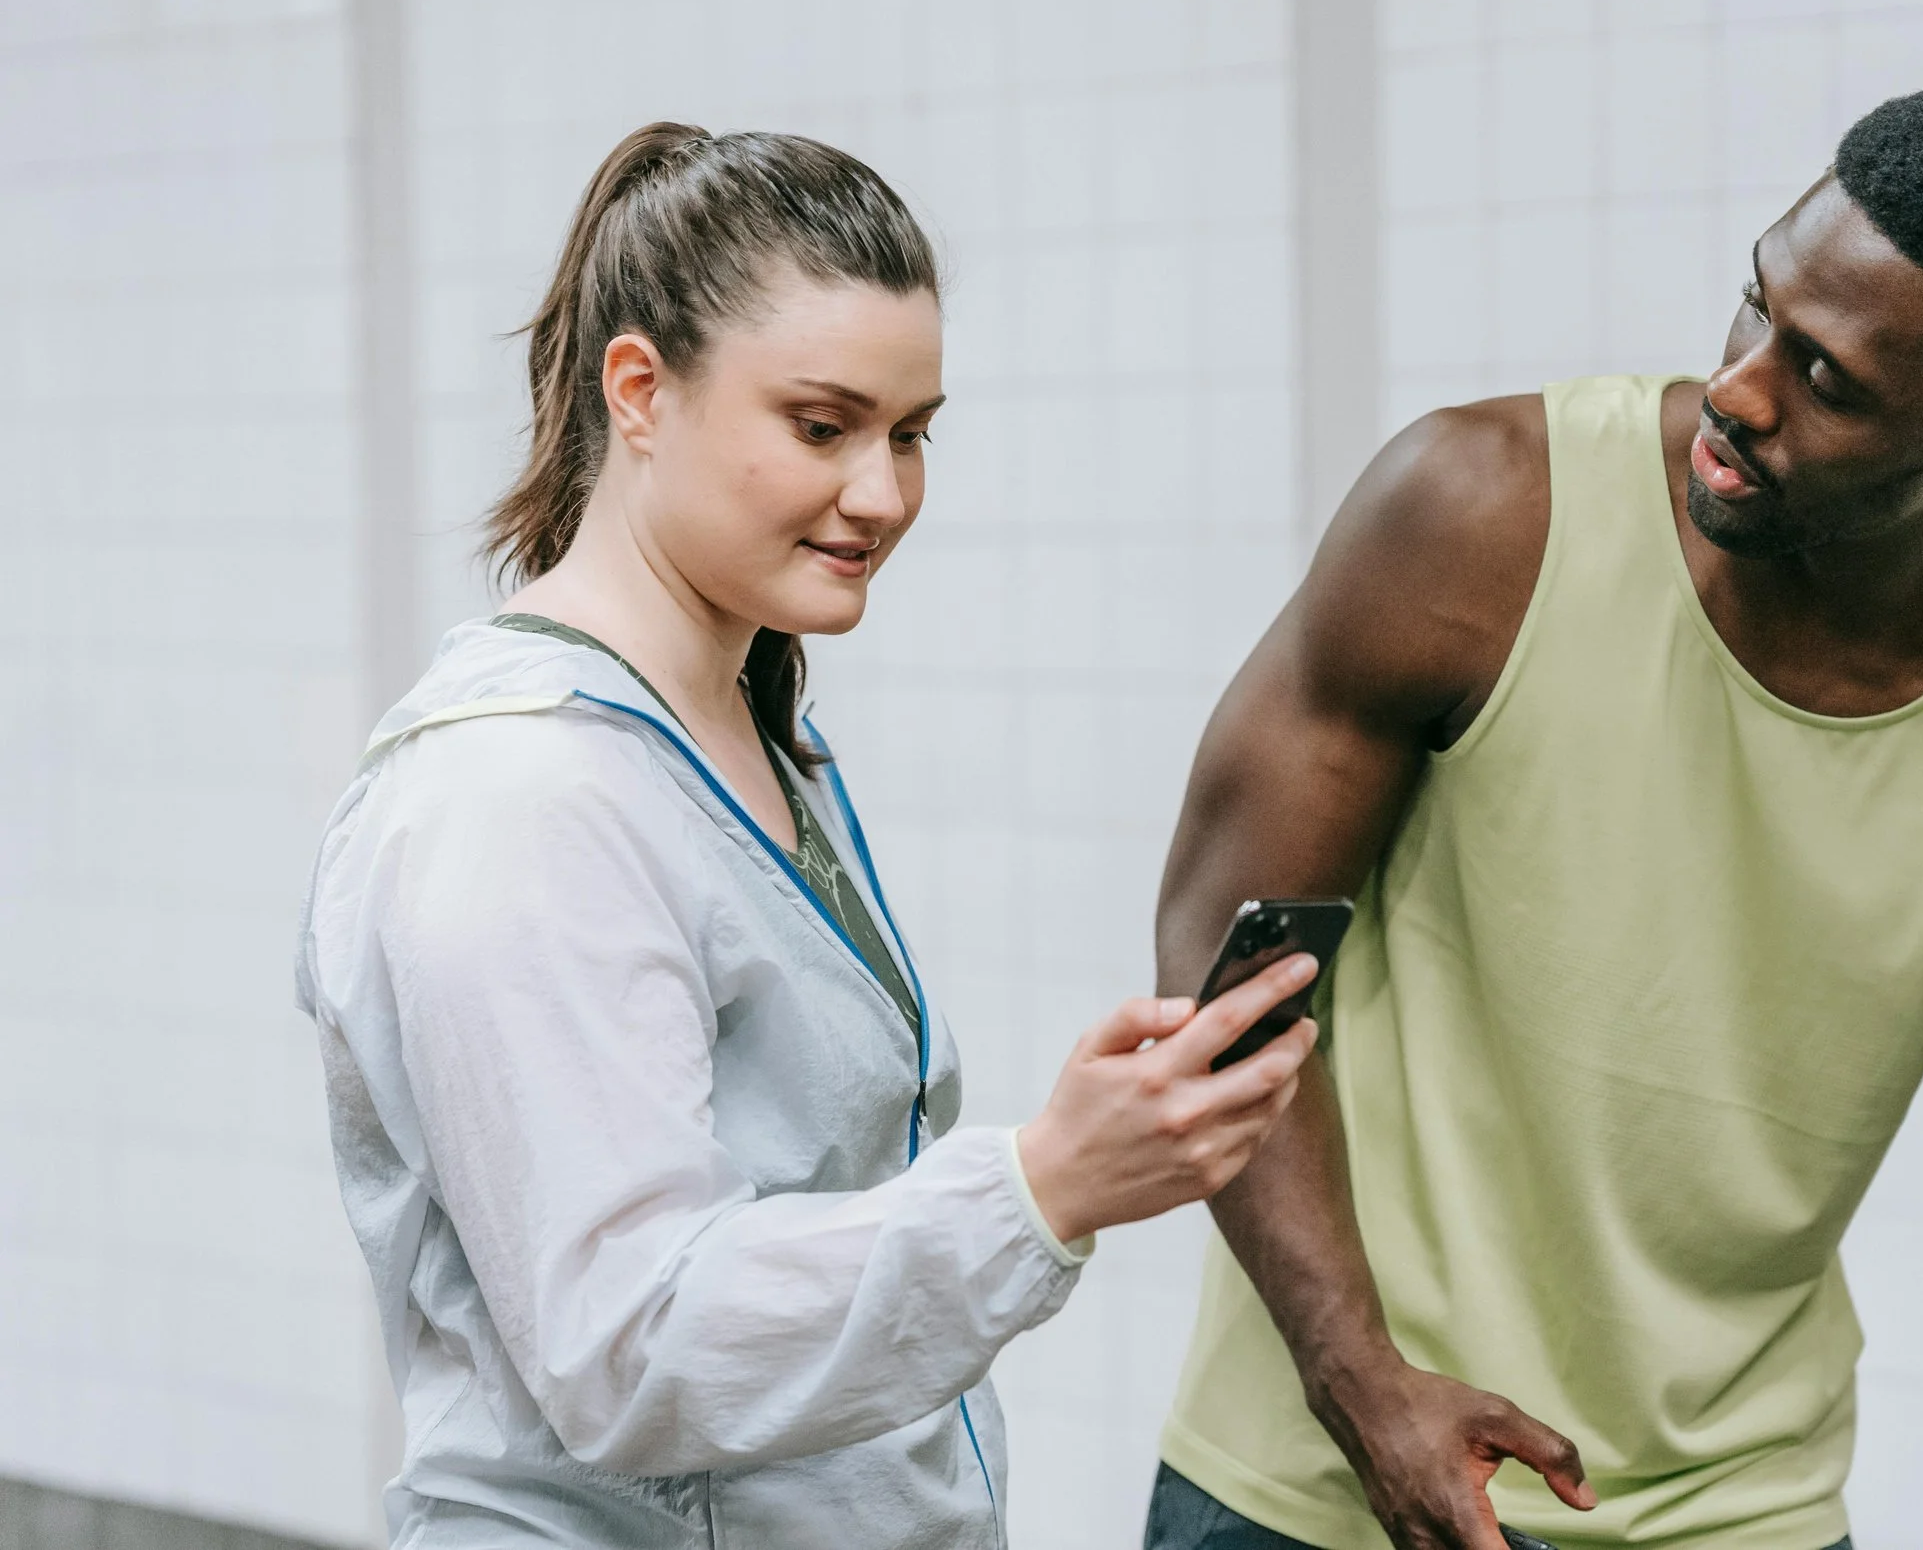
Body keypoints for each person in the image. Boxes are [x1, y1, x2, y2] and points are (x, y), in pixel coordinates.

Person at [1143, 81, 1923, 1550]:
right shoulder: (1480, 518)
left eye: (1827, 381)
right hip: (1318, 1481)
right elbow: (1227, 957)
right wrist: (1358, 1380)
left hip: (1731, 1516)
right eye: (1753, 309)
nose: (1741, 392)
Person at [294, 123, 1319, 1549]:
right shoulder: (522, 798)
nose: (885, 494)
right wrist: (1042, 1185)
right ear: (640, 391)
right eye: (823, 426)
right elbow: (629, 1339)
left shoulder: (748, 725)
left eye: (913, 433)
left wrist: (1069, 1154)